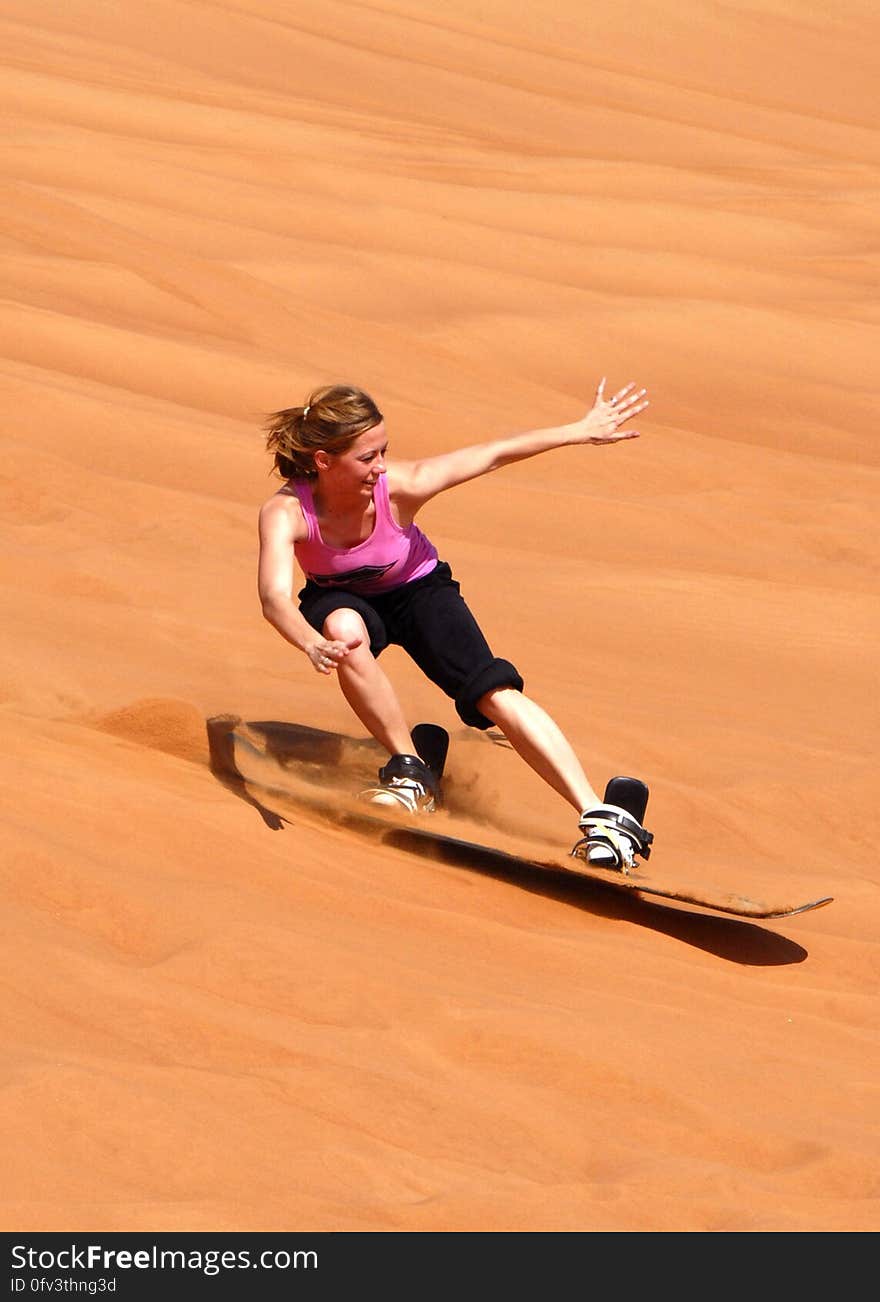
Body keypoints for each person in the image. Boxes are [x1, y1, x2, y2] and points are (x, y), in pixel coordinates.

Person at [257, 380, 652, 869]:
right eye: (367, 458)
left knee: (492, 690)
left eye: (384, 452)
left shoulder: (403, 486)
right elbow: (274, 597)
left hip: (420, 592)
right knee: (343, 632)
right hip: (339, 596)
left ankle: (601, 816)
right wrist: (309, 642)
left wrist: (579, 430)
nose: (380, 466)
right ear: (322, 460)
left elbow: (492, 454)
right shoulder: (286, 512)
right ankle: (409, 769)